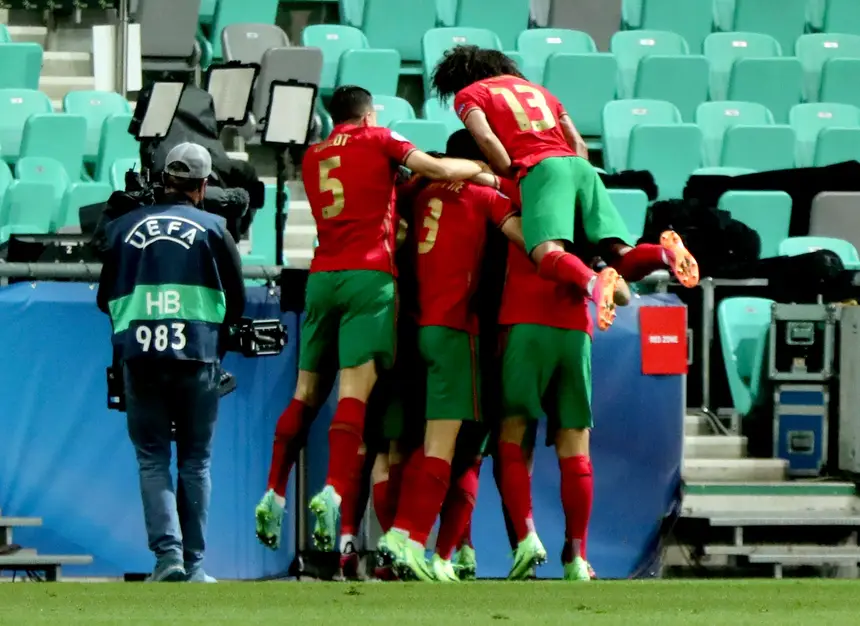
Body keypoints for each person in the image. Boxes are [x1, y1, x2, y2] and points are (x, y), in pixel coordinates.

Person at [255, 85, 487, 553]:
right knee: (353, 393)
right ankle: (334, 490)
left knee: (304, 395)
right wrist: (480, 169)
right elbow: (437, 169)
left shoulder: (313, 155)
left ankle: (274, 491)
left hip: (321, 277)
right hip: (369, 276)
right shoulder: (380, 138)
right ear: (369, 114)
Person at [431, 45, 699, 330]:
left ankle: (593, 282)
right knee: (619, 253)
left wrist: (517, 175)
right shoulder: (543, 93)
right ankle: (663, 254)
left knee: (545, 254)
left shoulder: (471, 94)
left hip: (539, 170)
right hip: (581, 168)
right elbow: (579, 144)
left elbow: (486, 139)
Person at [377, 130, 525, 582]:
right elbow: (533, 241)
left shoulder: (417, 191)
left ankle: (425, 547)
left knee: (407, 444)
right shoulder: (484, 195)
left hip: (412, 327)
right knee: (457, 448)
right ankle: (410, 540)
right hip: (460, 330)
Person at [96, 142, 246, 583]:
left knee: (152, 458)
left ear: (163, 181)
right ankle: (196, 565)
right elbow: (234, 299)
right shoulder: (215, 227)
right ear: (203, 186)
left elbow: (106, 298)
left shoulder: (123, 227)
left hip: (140, 357)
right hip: (197, 356)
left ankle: (168, 560)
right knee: (196, 461)